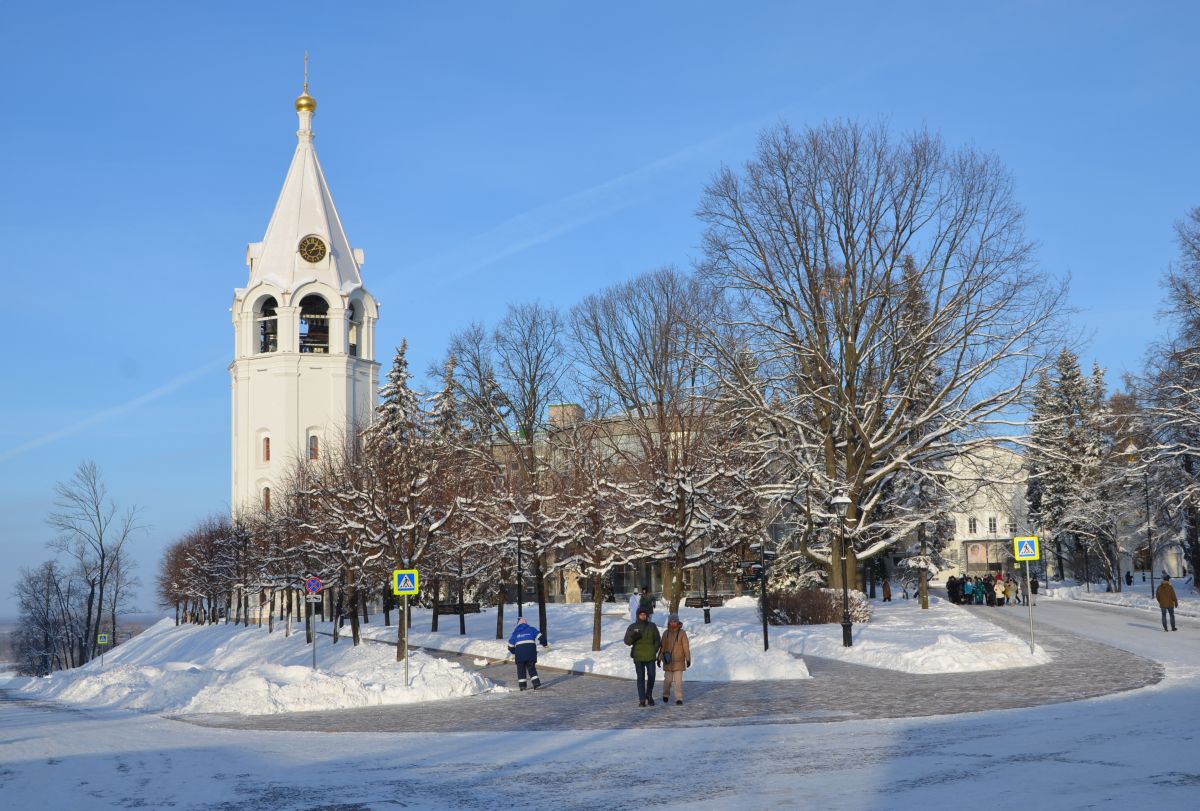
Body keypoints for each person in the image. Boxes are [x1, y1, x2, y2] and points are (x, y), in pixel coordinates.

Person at [624, 607, 662, 706]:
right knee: (640, 678)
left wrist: (655, 650)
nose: (643, 616)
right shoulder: (632, 627)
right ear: (638, 615)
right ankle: (642, 699)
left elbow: (658, 639)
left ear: (647, 616)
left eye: (644, 614)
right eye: (641, 614)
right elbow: (627, 641)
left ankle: (649, 695)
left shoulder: (652, 626)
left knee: (652, 676)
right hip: (638, 657)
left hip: (650, 656)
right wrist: (634, 636)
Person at [657, 613, 692, 705]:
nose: (673, 623)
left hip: (679, 662)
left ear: (677, 622)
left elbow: (686, 647)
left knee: (678, 682)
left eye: (675, 621)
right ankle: (665, 694)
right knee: (667, 681)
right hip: (668, 662)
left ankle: (679, 698)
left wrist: (688, 659)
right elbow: (662, 647)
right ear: (669, 623)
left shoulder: (682, 633)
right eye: (671, 622)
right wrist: (659, 658)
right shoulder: (666, 633)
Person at [507, 616, 548, 691]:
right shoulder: (532, 629)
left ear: (518, 624)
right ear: (526, 623)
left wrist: (514, 652)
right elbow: (541, 637)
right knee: (531, 668)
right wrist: (545, 644)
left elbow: (510, 646)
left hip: (520, 655)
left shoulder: (515, 633)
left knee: (521, 670)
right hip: (531, 653)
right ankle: (536, 683)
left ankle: (522, 686)